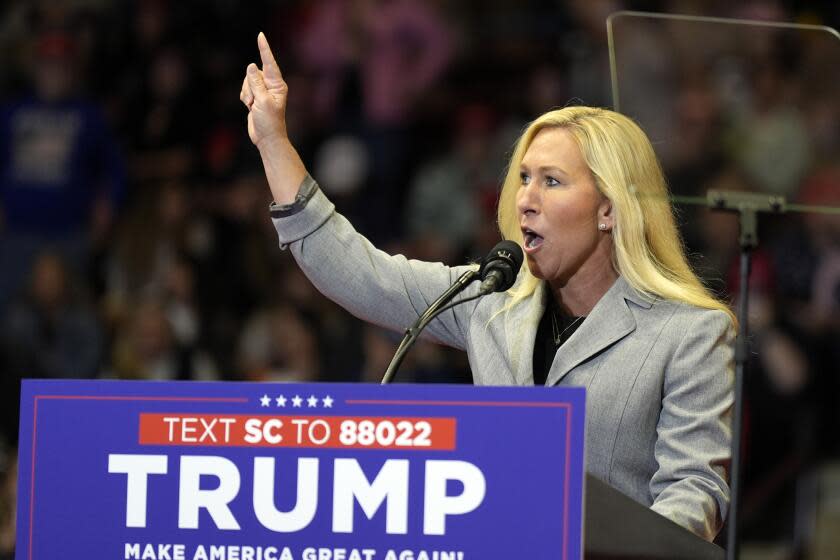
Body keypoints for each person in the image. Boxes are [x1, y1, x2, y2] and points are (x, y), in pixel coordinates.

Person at [240, 33, 735, 542]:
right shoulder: (490, 300)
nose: (525, 199)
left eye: (552, 181)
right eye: (523, 177)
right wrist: (274, 141)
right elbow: (358, 274)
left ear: (609, 209)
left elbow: (694, 493)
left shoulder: (688, 333)